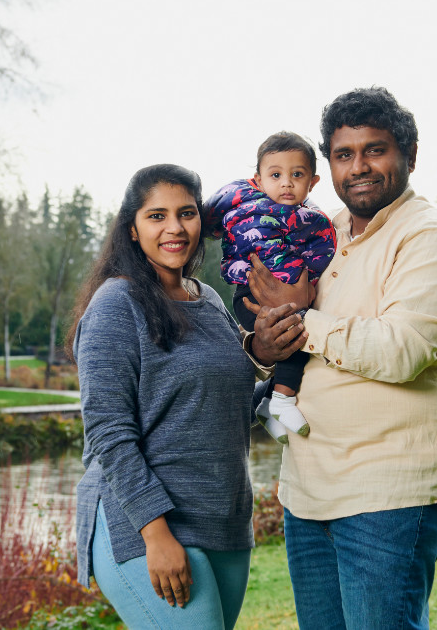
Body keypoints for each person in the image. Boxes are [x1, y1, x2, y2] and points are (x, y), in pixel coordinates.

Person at [246, 87, 437, 629]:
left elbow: (402, 351)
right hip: (307, 494)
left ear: (409, 155)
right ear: (327, 163)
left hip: (389, 494)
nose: (359, 167)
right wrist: (264, 341)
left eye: (375, 150)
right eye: (343, 154)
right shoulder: (317, 233)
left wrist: (302, 322)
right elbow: (280, 334)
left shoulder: (430, 239)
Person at [65, 164, 257, 630]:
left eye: (186, 213)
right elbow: (109, 434)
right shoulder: (116, 303)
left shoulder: (208, 299)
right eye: (157, 216)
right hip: (147, 526)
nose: (175, 228)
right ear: (132, 229)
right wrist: (156, 534)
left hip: (224, 520)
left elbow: (227, 403)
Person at [205, 131, 336, 443]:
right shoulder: (240, 195)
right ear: (259, 179)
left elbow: (324, 249)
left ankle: (269, 403)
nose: (286, 183)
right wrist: (209, 229)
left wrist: (310, 285)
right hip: (249, 294)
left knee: (301, 331)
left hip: (292, 291)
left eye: (297, 175)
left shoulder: (312, 218)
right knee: (294, 332)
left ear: (313, 182)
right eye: (276, 175)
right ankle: (281, 400)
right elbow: (208, 212)